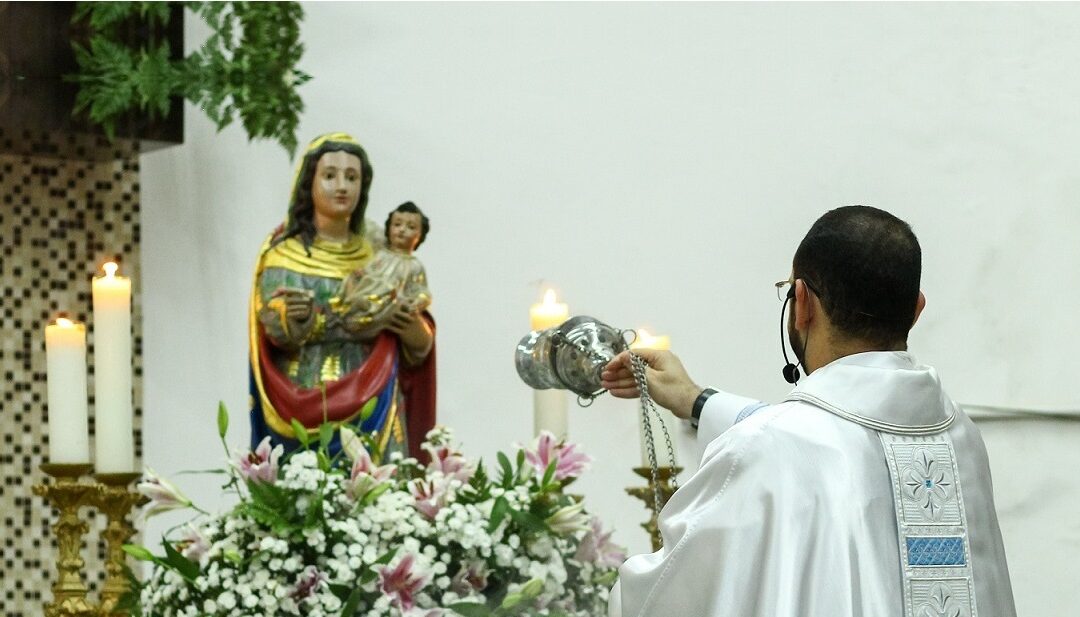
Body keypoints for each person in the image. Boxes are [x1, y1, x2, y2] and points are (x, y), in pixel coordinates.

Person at [601, 206, 1015, 616]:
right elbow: (825, 444)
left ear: (802, 303)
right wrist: (695, 399)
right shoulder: (962, 438)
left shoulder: (767, 447)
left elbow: (664, 595)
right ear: (917, 309)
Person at [248, 133, 436, 461]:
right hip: (304, 392)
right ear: (309, 182)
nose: (342, 186)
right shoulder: (284, 256)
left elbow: (417, 345)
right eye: (330, 175)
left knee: (380, 502)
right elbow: (274, 331)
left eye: (352, 177)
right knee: (305, 498)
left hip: (374, 396)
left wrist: (409, 328)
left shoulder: (379, 253)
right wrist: (295, 317)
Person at [339, 201, 433, 333]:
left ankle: (367, 318)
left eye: (410, 227)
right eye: (397, 224)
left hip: (390, 300)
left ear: (420, 236)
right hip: (369, 291)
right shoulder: (380, 254)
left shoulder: (414, 266)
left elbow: (421, 291)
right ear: (388, 228)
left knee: (388, 292)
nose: (402, 230)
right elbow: (370, 270)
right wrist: (359, 274)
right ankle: (354, 312)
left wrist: (419, 301)